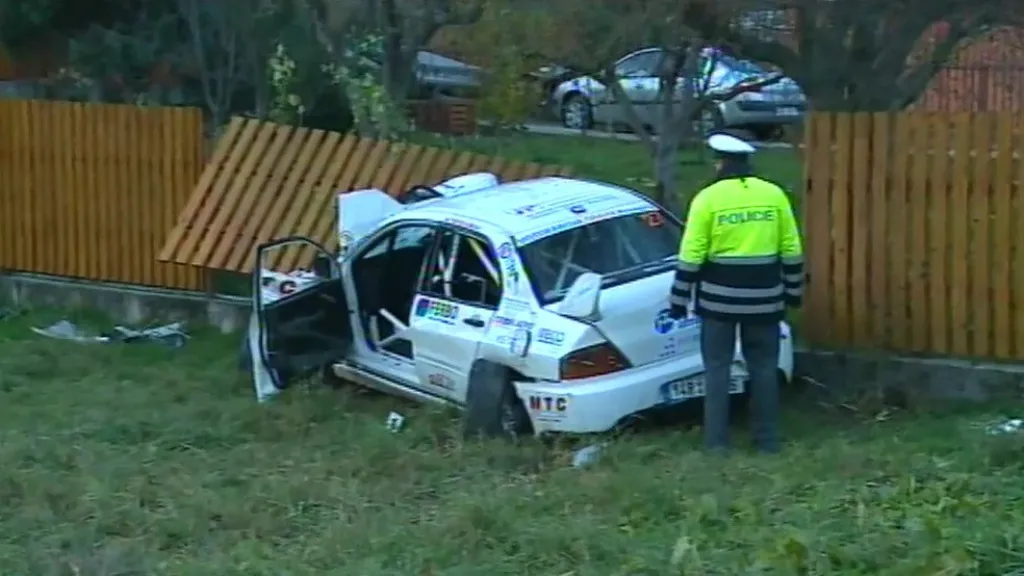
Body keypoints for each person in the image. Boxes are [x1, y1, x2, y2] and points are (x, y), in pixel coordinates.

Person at [668, 132, 804, 454]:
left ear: (719, 162)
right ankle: (767, 441)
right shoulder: (774, 196)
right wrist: (794, 293)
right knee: (764, 369)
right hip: (765, 301)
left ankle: (717, 443)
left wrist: (678, 299)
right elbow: (791, 249)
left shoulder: (707, 199)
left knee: (716, 369)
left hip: (718, 304)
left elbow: (692, 255)